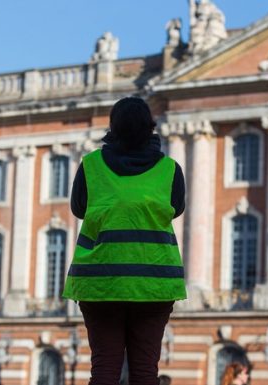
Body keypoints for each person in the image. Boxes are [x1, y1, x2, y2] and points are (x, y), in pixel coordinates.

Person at [62, 96, 187, 385]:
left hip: (100, 281)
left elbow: (79, 208)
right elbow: (177, 208)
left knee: (105, 369)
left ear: (113, 127)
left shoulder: (91, 166)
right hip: (154, 282)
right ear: (150, 128)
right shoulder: (169, 169)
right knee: (145, 372)